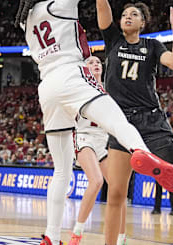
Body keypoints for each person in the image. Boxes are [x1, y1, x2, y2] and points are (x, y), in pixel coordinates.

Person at [14, 0, 173, 245]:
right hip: (68, 75)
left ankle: (51, 235)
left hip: (46, 87)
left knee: (61, 170)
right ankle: (143, 152)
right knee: (117, 117)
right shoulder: (61, 3)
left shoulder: (28, 16)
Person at [89, 0, 173, 245]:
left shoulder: (152, 45)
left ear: (143, 22)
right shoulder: (112, 41)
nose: (126, 17)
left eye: (133, 14)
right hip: (120, 122)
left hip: (151, 120)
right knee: (116, 194)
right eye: (124, 14)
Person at [69, 56, 126, 245]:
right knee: (96, 181)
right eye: (91, 62)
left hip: (103, 140)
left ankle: (121, 238)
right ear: (84, 69)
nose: (96, 65)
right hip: (84, 135)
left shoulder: (110, 91)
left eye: (98, 63)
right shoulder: (78, 87)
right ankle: (77, 232)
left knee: (118, 189)